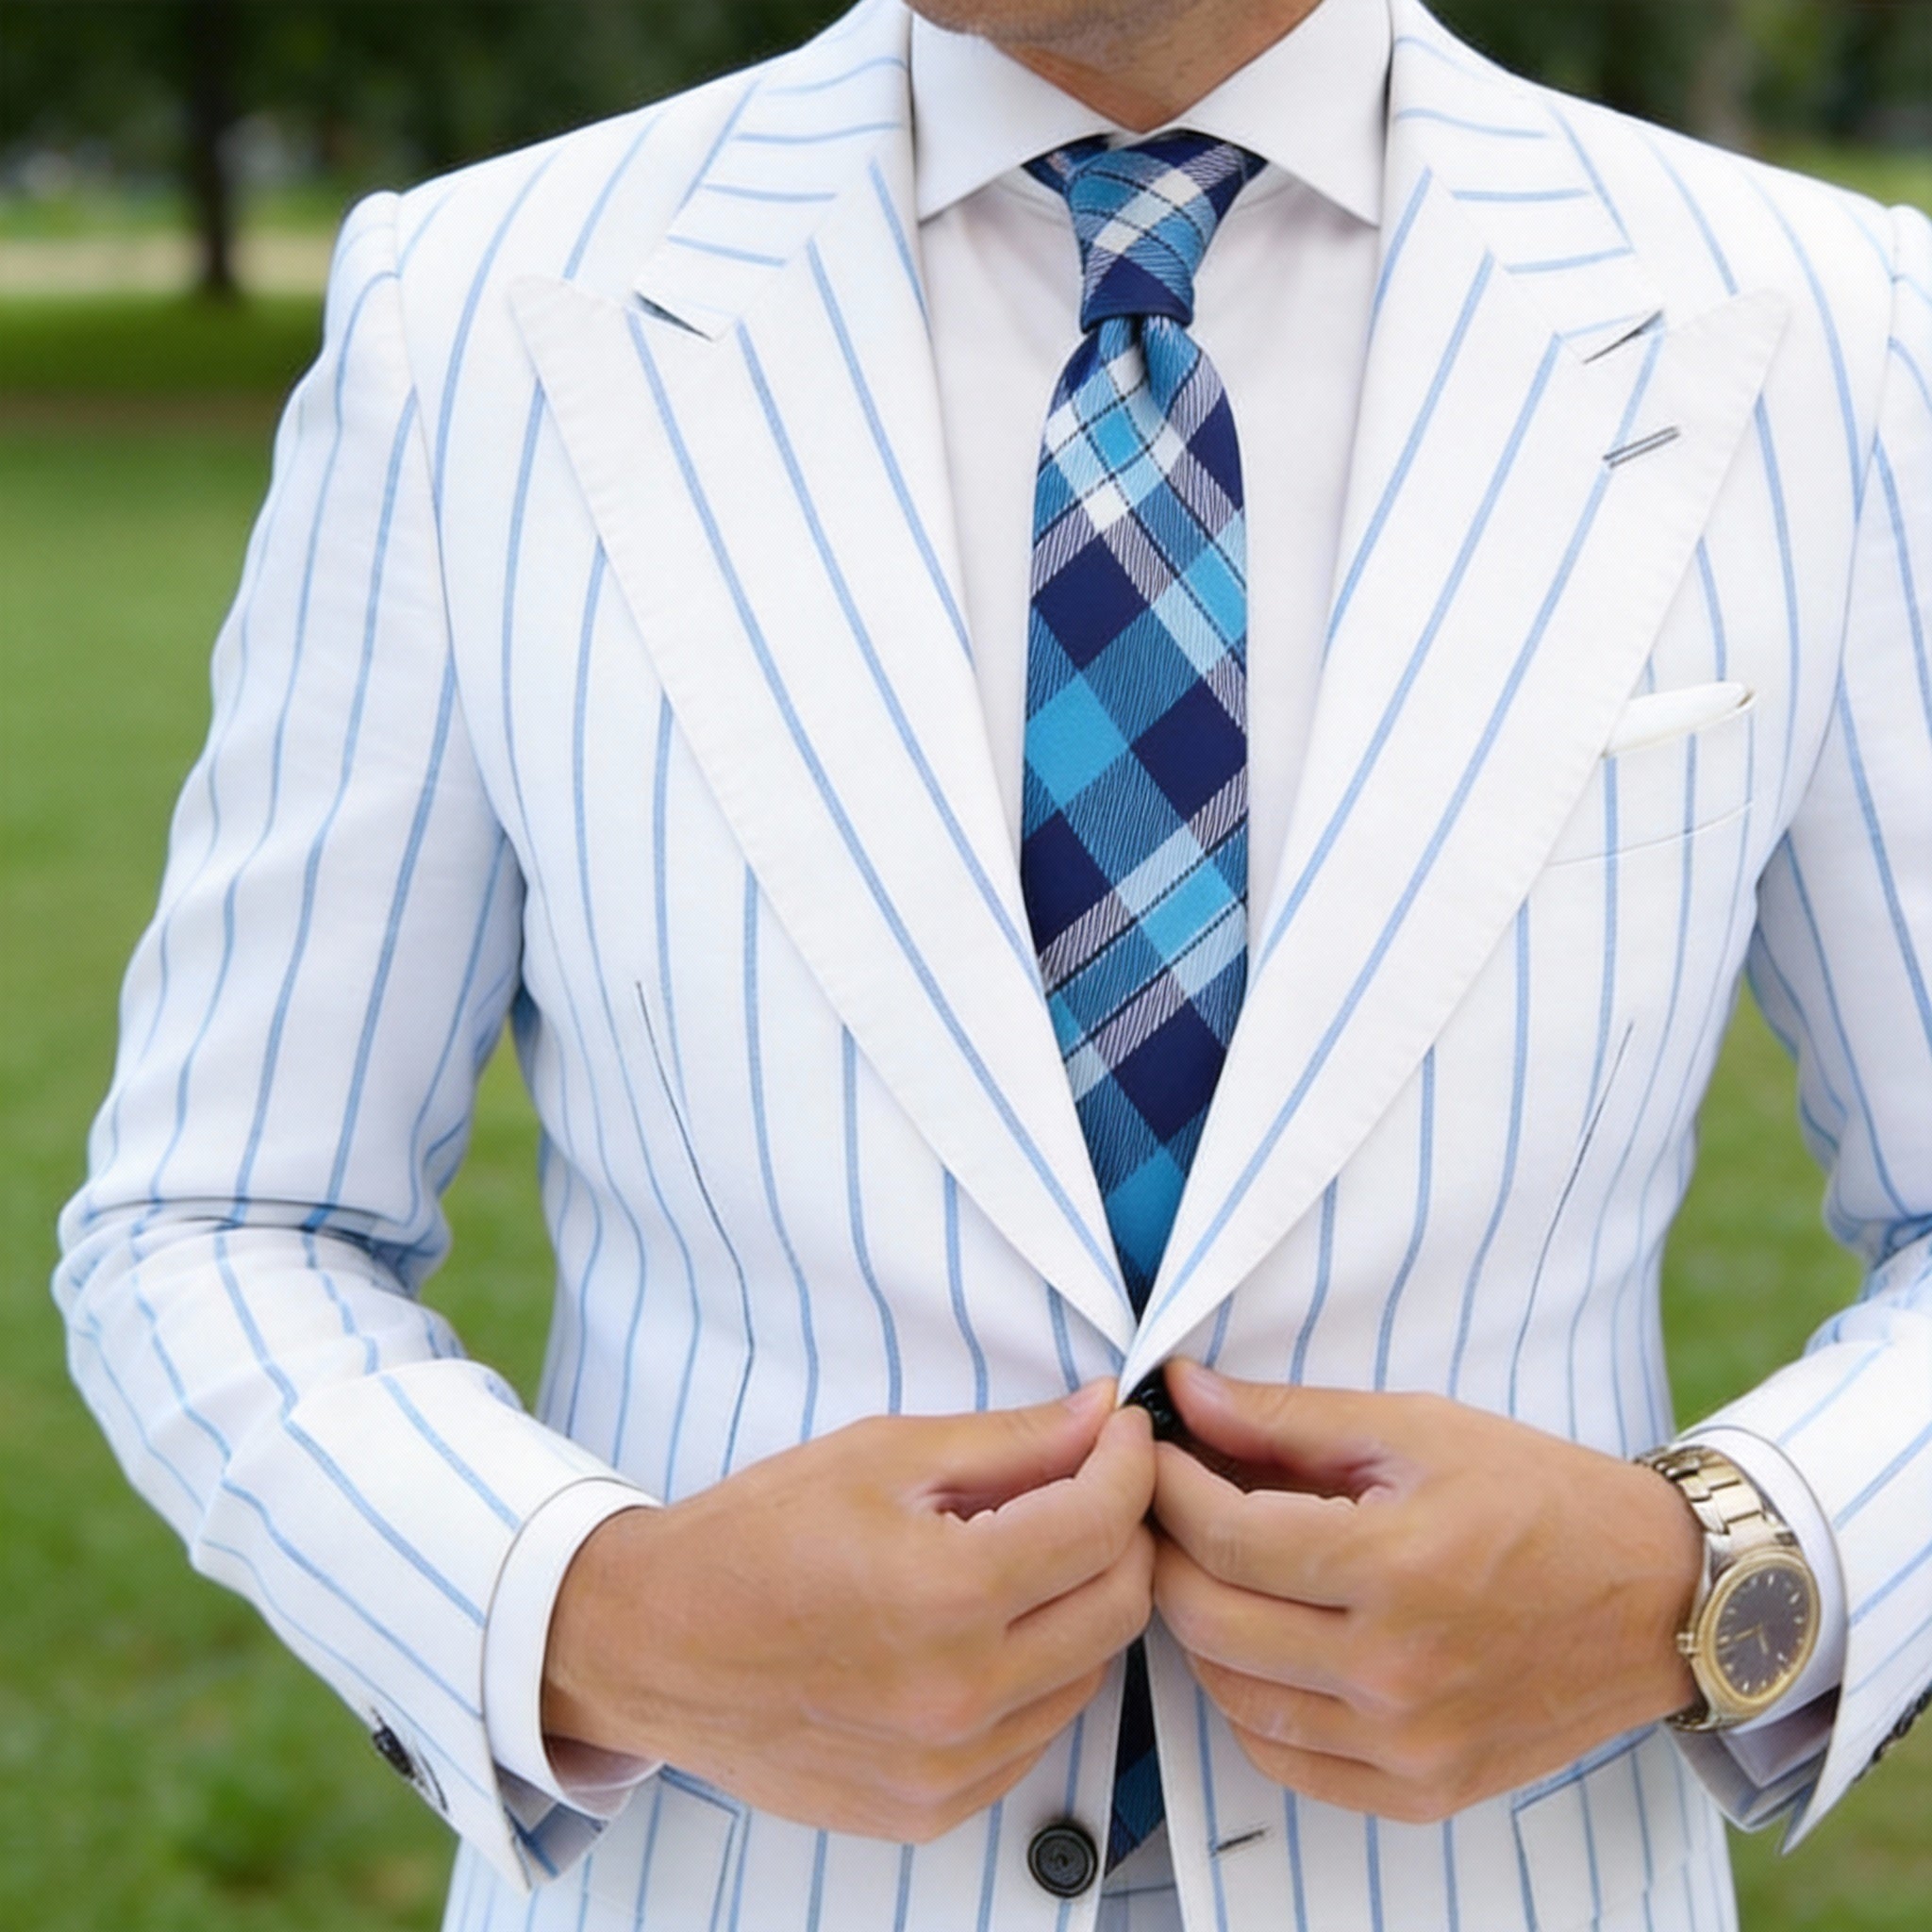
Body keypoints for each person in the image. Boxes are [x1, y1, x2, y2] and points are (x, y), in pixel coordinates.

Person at [54, 0, 1932, 1925]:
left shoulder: (1826, 327)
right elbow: (217, 1221)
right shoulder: (474, 311)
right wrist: (601, 1619)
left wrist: (1710, 1576)